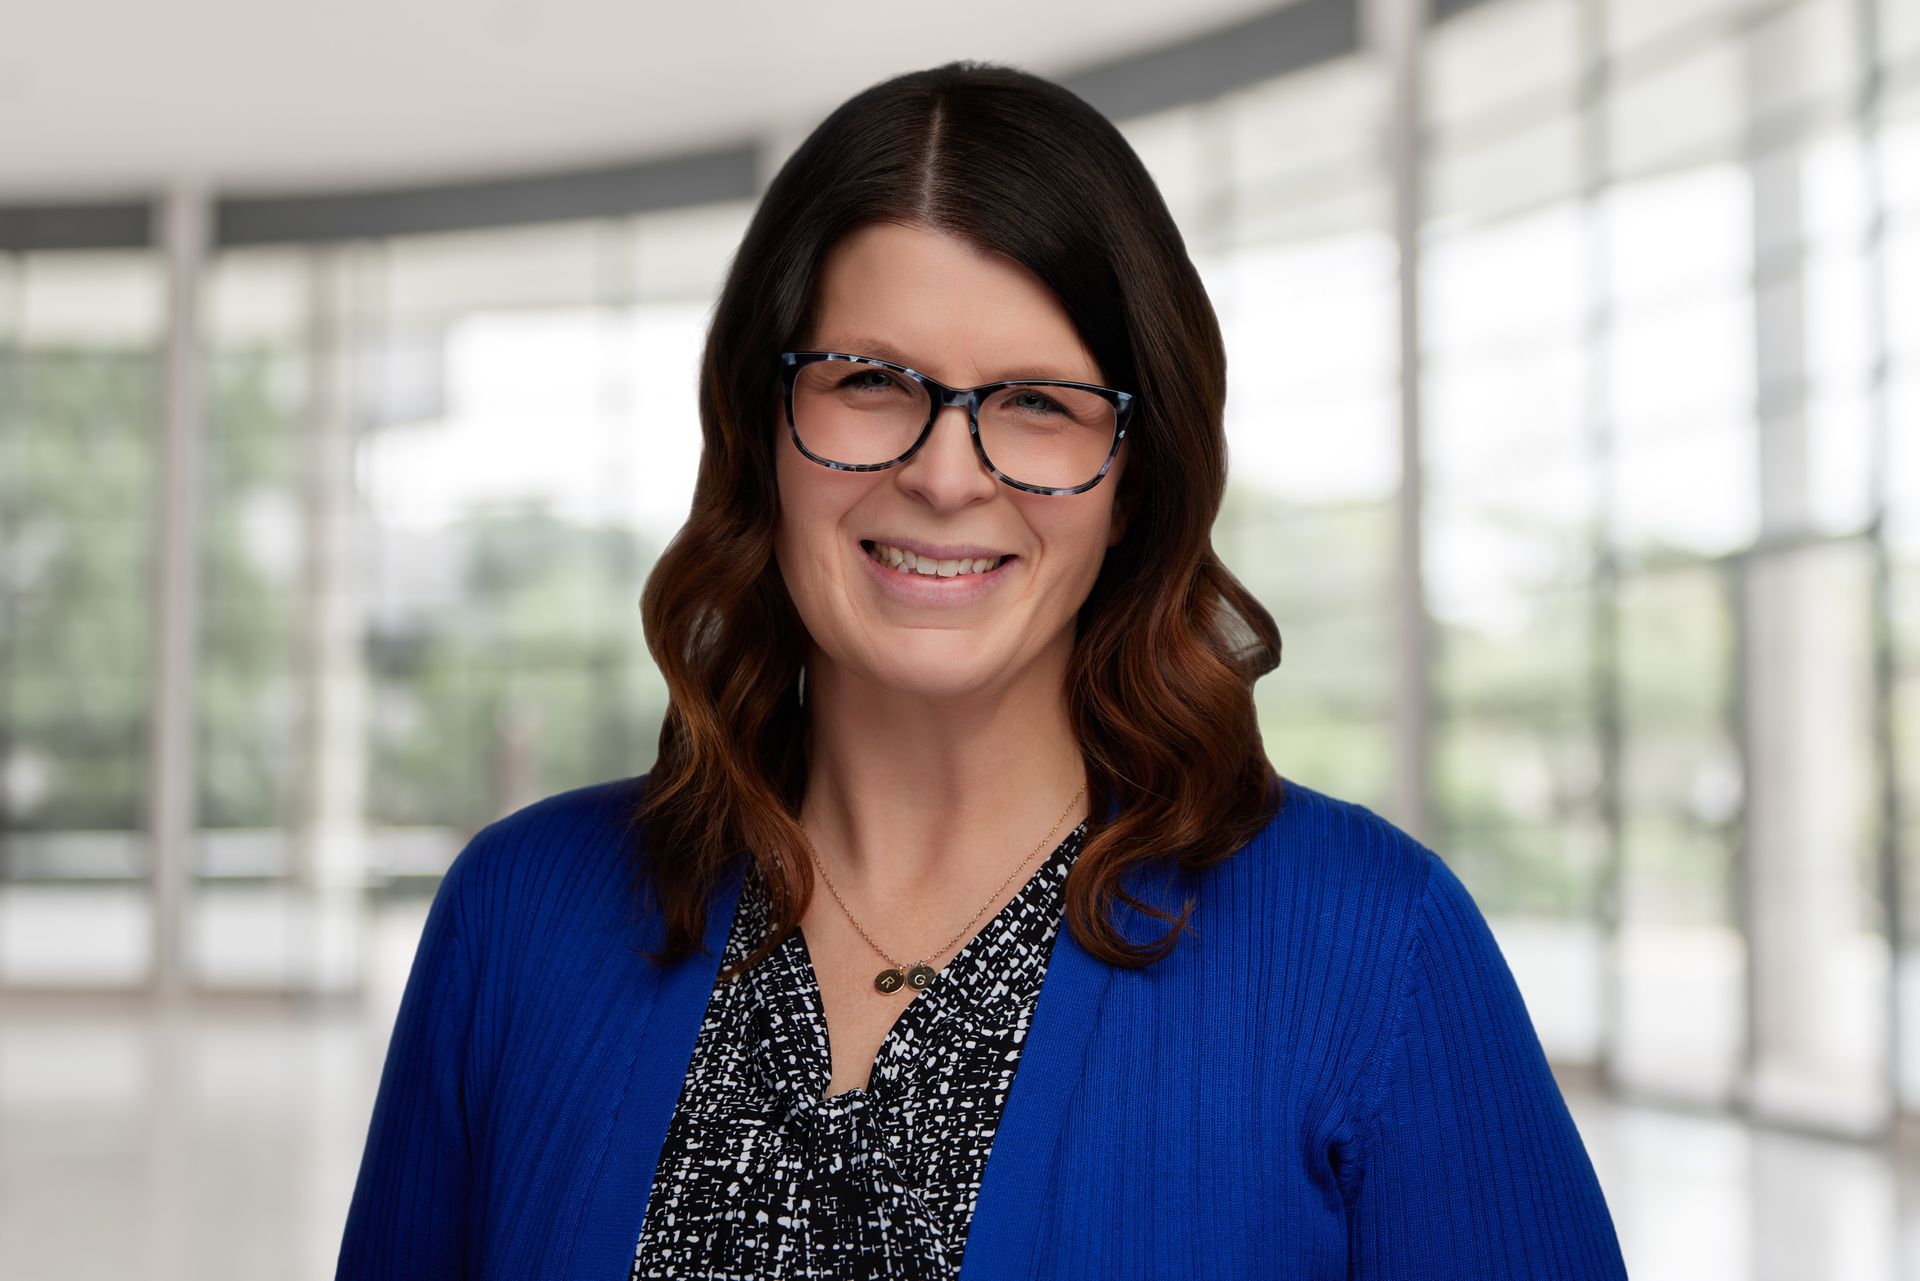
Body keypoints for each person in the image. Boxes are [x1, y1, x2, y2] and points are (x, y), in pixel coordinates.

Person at [336, 60, 1630, 1281]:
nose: (946, 474)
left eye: (1038, 403)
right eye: (868, 382)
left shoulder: (1370, 951)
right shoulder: (517, 921)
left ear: (1134, 479)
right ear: (762, 428)